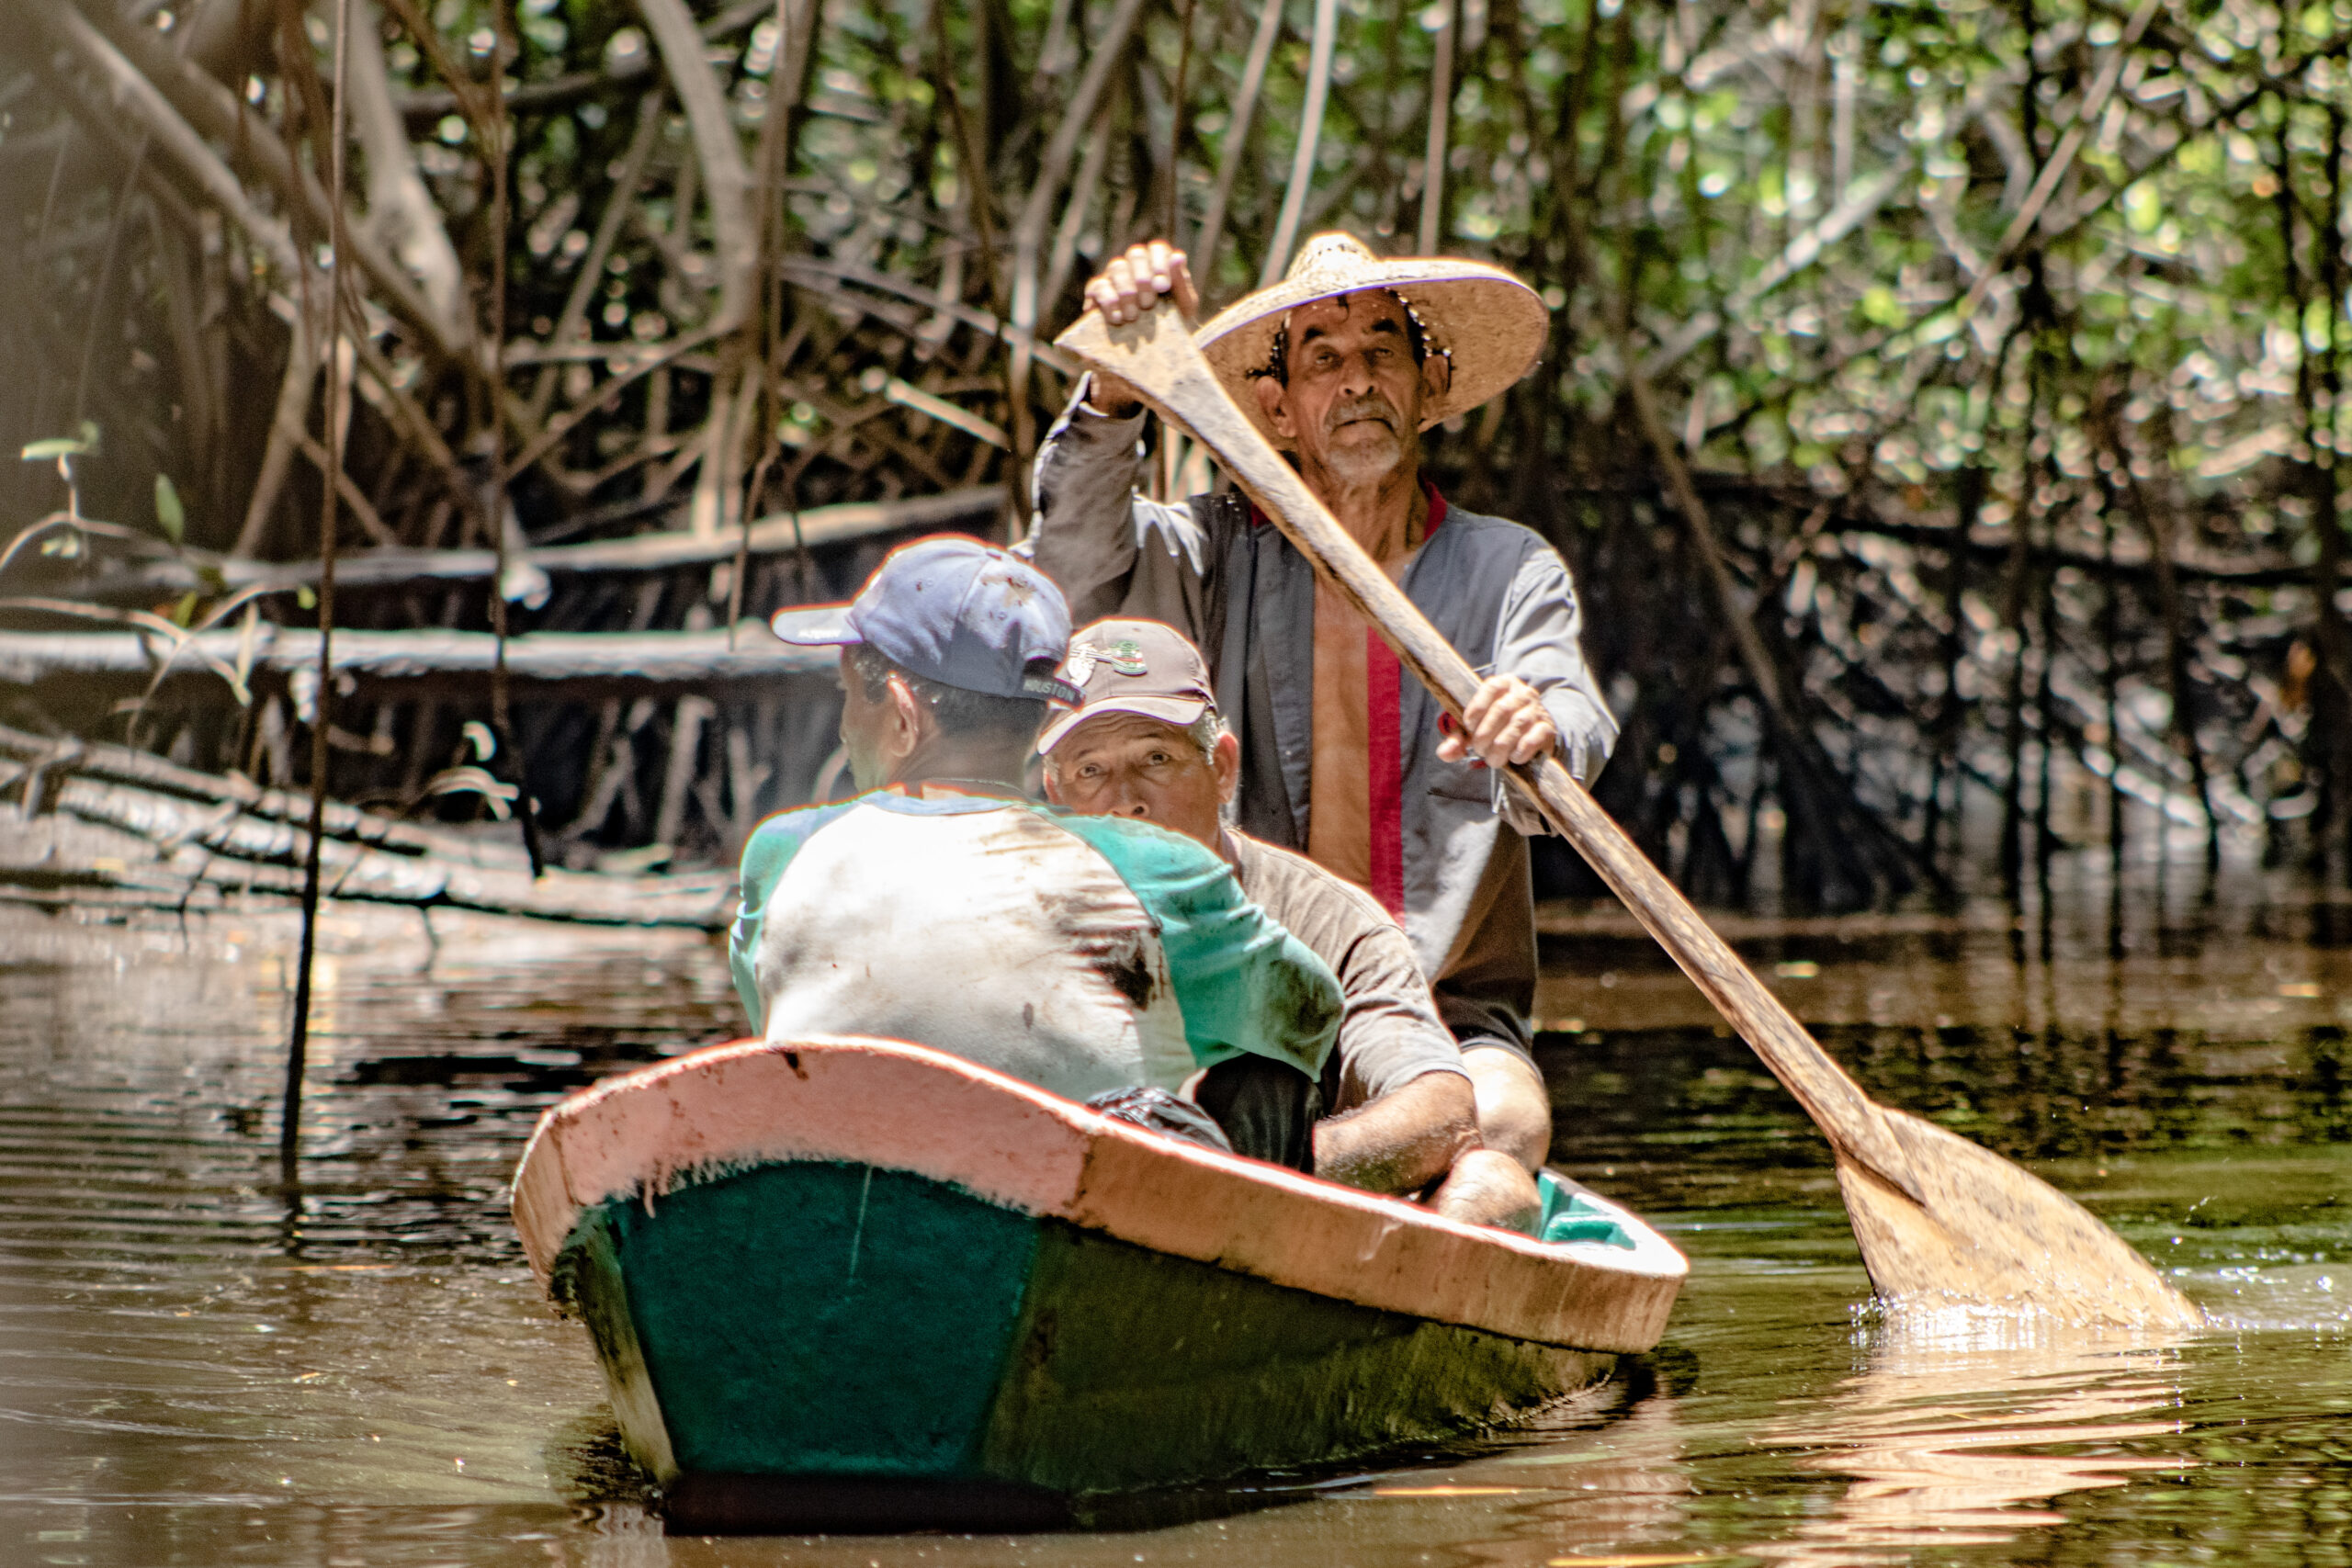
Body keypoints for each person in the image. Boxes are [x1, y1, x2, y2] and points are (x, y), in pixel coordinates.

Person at [1025, 231, 1618, 1177]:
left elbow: (1571, 721)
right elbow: (1066, 569)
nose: (1356, 382)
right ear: (1278, 409)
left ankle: (1297, 1191)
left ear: (1430, 388)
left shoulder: (1507, 569)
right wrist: (1114, 390)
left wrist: (1537, 726)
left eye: (1385, 353)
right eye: (1324, 360)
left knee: (1503, 1137)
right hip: (1236, 989)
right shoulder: (1207, 550)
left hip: (1445, 1006)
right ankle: (1294, 1182)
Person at [729, 536, 1342, 1168]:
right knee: (1267, 1065)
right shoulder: (1153, 867)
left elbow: (776, 1018)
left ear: (905, 715)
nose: (843, 725)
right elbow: (1312, 1011)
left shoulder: (780, 855)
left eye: (851, 697)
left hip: (835, 1186)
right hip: (1071, 1220)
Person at [1038, 617, 1542, 1230]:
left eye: (1157, 758)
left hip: (1276, 1208)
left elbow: (1441, 1110)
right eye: (1091, 771)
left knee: (1495, 1183)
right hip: (1072, 1190)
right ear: (1055, 793)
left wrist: (1250, 1178)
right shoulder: (1014, 898)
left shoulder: (1329, 921)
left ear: (1222, 768)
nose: (1125, 799)